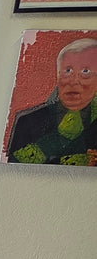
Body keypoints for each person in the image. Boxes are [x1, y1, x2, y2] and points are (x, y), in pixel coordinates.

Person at [7, 37, 97, 165]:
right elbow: (14, 168)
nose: (73, 81)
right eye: (67, 71)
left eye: (85, 71)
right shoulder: (28, 121)